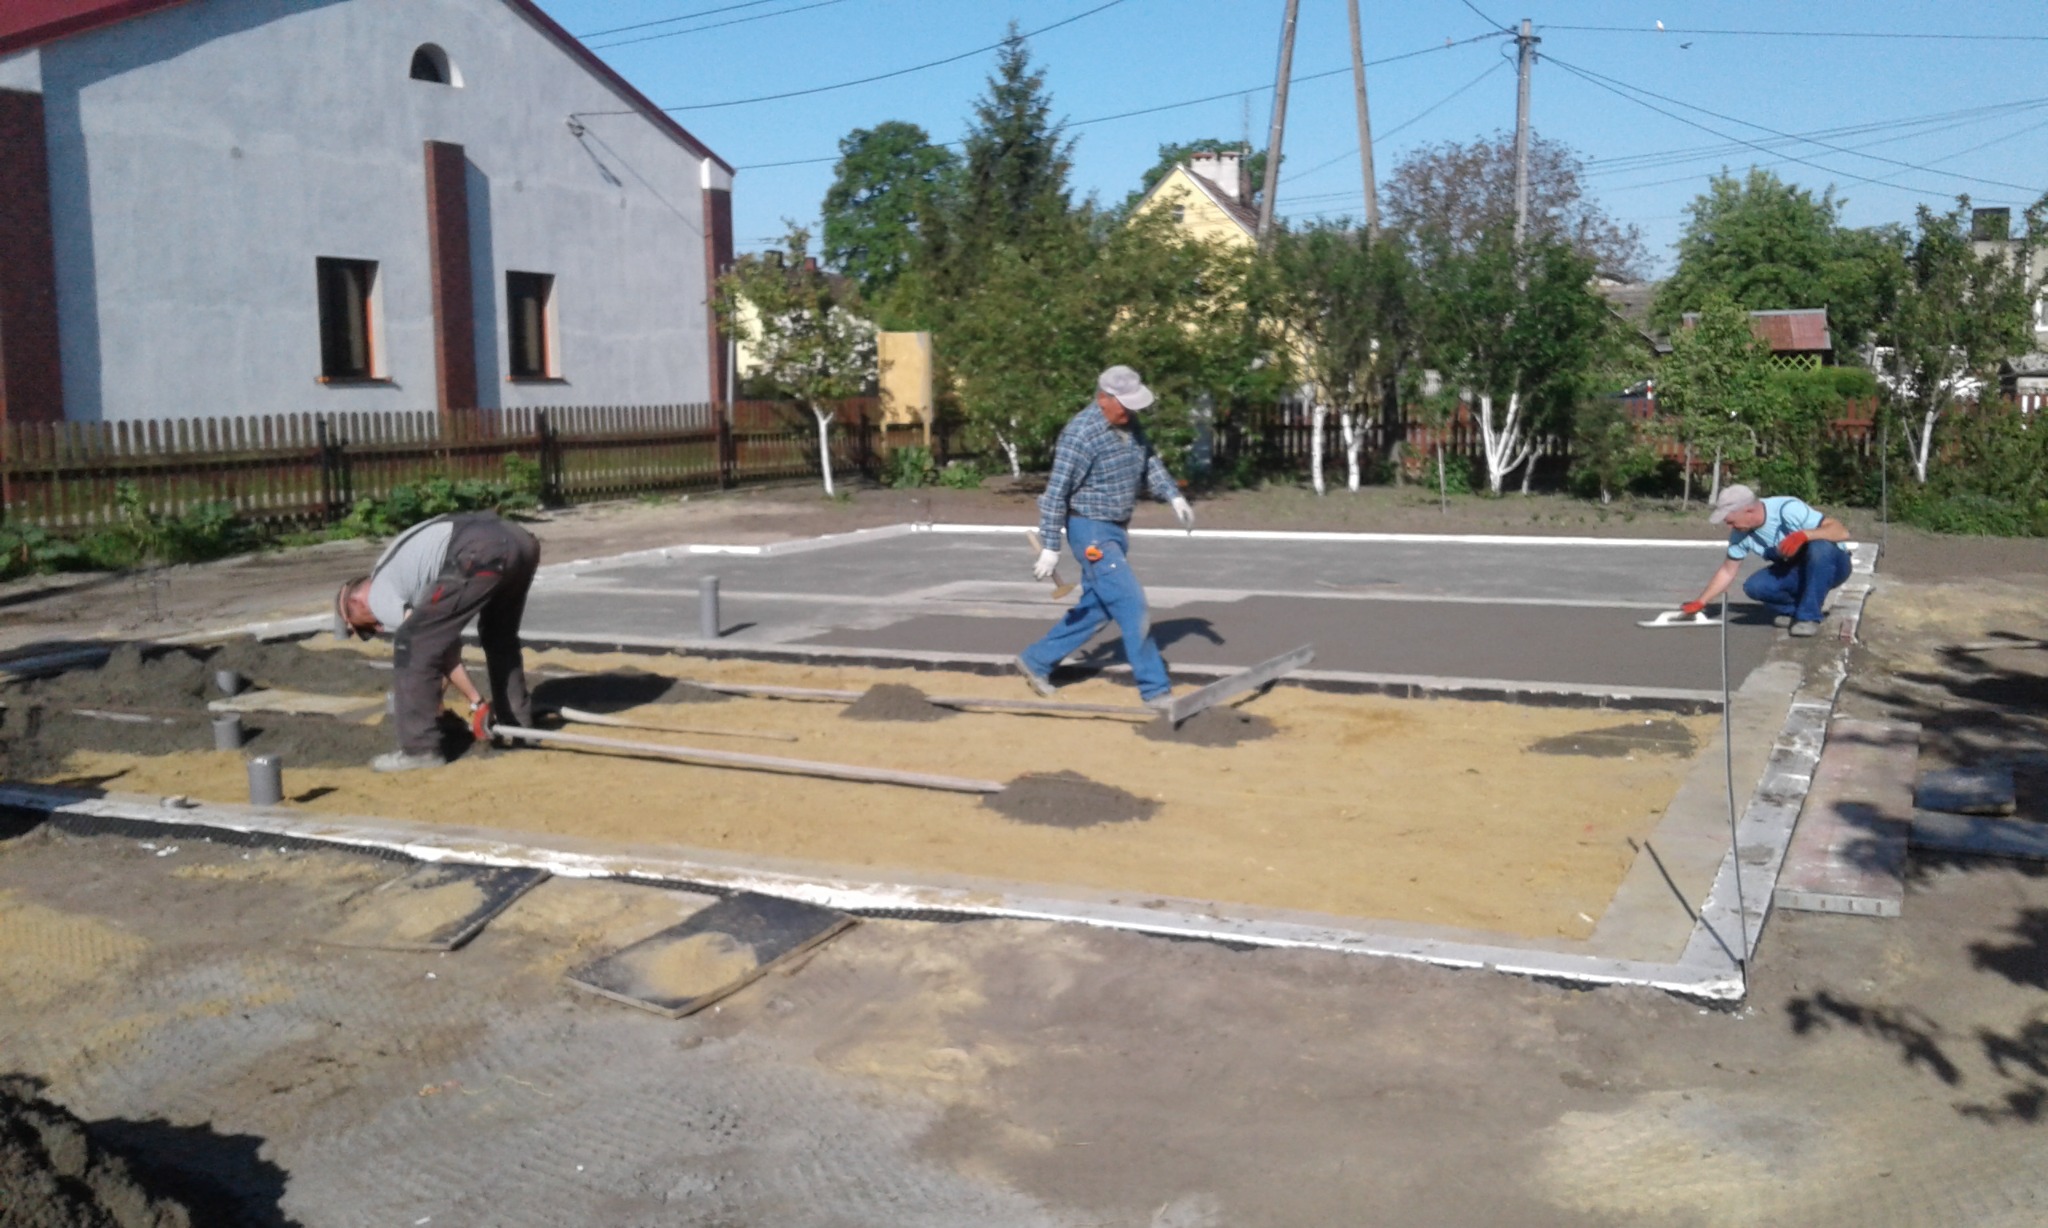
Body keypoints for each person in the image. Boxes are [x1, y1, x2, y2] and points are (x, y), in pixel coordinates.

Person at [1016, 365, 1194, 708]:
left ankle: (1036, 660)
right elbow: (1055, 493)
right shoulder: (1080, 435)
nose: (1131, 412)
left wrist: (1173, 495)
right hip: (1091, 531)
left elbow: (1149, 461)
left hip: (1116, 527)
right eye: (1124, 405)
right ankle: (1156, 690)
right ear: (1103, 398)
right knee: (1132, 604)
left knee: (1098, 608)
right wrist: (1050, 546)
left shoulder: (1128, 422)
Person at [333, 511, 539, 771]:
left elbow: (431, 646)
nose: (377, 627)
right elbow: (442, 643)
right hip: (520, 540)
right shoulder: (404, 571)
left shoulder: (378, 592)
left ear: (355, 603)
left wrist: (476, 703)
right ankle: (519, 727)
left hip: (480, 549)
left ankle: (419, 750)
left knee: (411, 641)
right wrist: (457, 700)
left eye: (362, 625)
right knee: (499, 635)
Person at [1679, 484, 1851, 637]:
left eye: (1731, 521)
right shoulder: (1740, 534)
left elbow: (1842, 532)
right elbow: (1727, 571)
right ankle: (1796, 612)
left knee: (1819, 547)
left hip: (1833, 565)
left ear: (1749, 511)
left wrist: (1804, 535)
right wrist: (1701, 601)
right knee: (1755, 586)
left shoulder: (1787, 509)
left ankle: (1808, 618)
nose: (1730, 527)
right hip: (1796, 570)